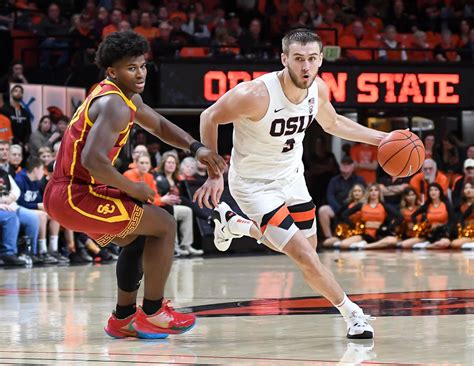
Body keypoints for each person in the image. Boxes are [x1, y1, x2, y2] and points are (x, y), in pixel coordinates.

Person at [194, 29, 389, 339]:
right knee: (306, 257)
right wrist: (214, 173)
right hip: (254, 186)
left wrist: (383, 138)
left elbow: (334, 123)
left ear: (321, 59)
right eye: (298, 59)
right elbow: (209, 117)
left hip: (292, 178)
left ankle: (235, 226)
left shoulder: (318, 89)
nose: (306, 67)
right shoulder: (255, 94)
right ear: (284, 59)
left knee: (306, 252)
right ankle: (353, 314)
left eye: (312, 59)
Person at [43, 31, 225, 339]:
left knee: (138, 239)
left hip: (70, 192)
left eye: (142, 66)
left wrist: (197, 148)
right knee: (165, 224)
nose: (140, 73)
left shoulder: (122, 96)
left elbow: (159, 125)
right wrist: (132, 188)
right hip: (74, 193)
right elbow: (93, 160)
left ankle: (124, 318)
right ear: (113, 71)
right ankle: (154, 313)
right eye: (131, 67)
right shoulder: (114, 103)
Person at [318, 156, 366, 246]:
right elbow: (330, 195)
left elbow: (364, 196)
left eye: (348, 165)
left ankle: (359, 236)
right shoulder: (334, 180)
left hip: (354, 208)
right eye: (343, 165)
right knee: (323, 210)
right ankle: (329, 237)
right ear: (340, 166)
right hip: (337, 208)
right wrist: (339, 209)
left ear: (353, 166)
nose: (345, 167)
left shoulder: (359, 179)